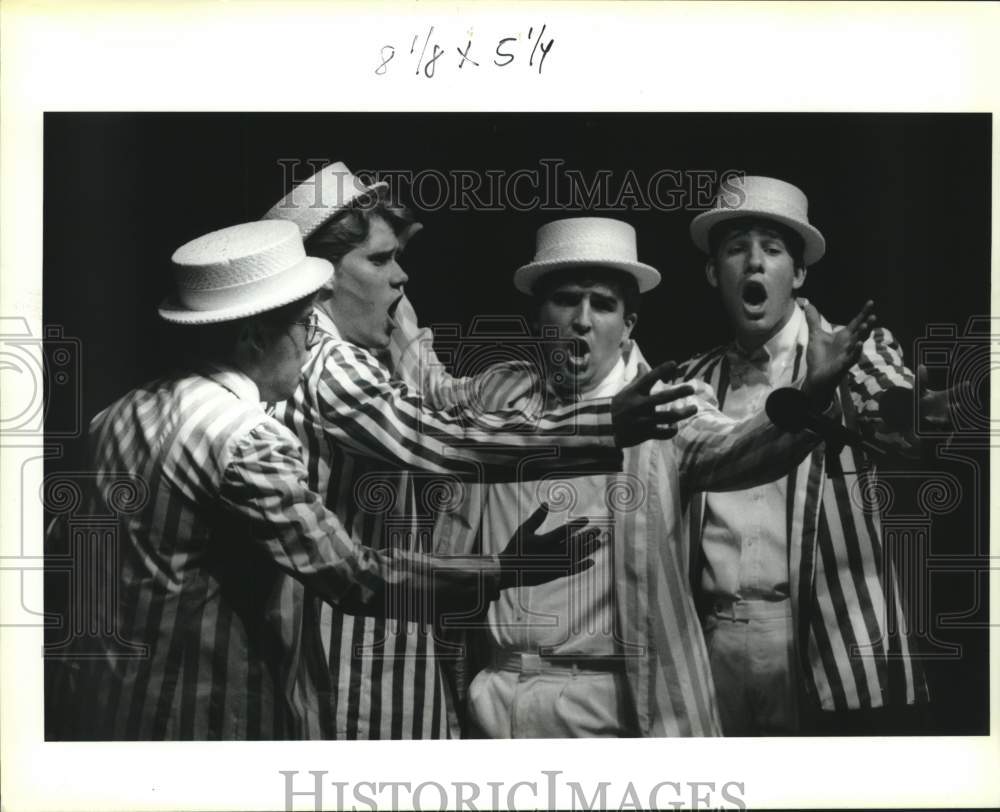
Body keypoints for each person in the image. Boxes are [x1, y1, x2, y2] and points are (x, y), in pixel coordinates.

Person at [57, 219, 604, 740]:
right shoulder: (246, 439)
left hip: (105, 715)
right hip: (204, 726)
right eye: (303, 326)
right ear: (252, 337)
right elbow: (354, 576)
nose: (314, 341)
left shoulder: (114, 416)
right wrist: (506, 569)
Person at [261, 164, 695, 738]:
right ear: (320, 282)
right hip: (355, 673)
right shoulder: (332, 366)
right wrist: (605, 423)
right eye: (380, 260)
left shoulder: (343, 356)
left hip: (387, 660)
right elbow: (445, 441)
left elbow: (437, 399)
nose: (401, 279)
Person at [417, 216, 875, 737]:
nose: (582, 320)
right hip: (494, 703)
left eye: (603, 304)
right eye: (566, 300)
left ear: (629, 324)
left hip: (611, 709)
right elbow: (420, 390)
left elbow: (742, 450)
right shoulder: (496, 400)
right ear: (539, 314)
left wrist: (811, 394)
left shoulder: (664, 409)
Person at [680, 175, 932, 735]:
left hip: (821, 638)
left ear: (796, 274)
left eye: (771, 250)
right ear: (712, 272)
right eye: (736, 250)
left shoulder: (852, 352)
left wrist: (935, 409)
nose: (753, 264)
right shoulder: (694, 380)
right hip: (713, 637)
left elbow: (907, 418)